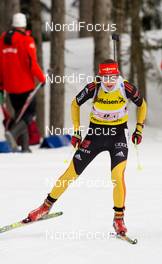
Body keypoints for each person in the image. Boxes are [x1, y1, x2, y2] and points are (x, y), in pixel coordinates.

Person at [25, 59, 147, 235]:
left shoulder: (125, 87)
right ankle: (45, 206)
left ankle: (118, 219)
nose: (109, 82)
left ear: (118, 75)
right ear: (100, 77)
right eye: (105, 78)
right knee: (71, 172)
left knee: (117, 176)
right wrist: (76, 131)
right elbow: (75, 104)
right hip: (95, 134)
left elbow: (142, 105)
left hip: (118, 135)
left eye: (113, 77)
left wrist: (139, 128)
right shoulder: (94, 87)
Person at [0, 13, 45, 152]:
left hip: (10, 86)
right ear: (24, 24)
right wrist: (42, 78)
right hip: (25, 85)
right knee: (29, 114)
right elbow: (32, 64)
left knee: (20, 114)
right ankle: (13, 134)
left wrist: (1, 84)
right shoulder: (27, 40)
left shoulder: (2, 39)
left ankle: (25, 147)